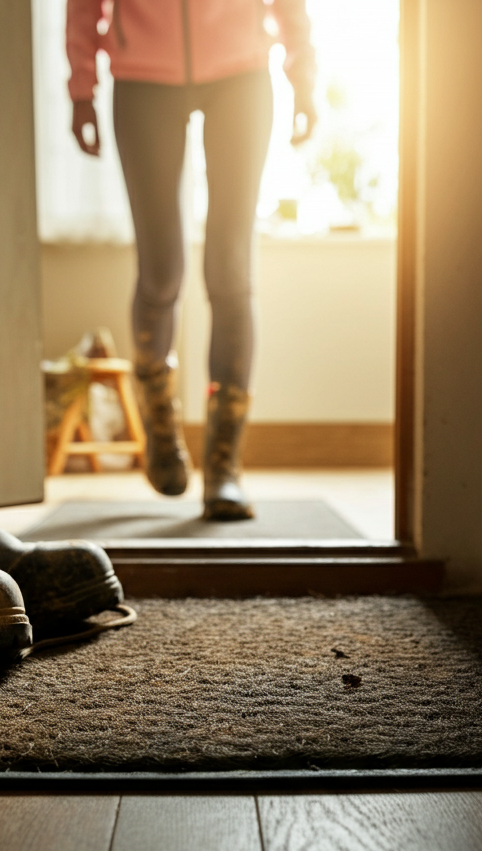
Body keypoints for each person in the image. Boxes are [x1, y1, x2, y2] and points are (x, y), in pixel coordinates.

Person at [66, 0, 316, 519]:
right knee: (160, 273)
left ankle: (224, 464)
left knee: (230, 270)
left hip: (240, 74)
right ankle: (160, 420)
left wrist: (303, 75)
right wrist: (81, 87)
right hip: (142, 79)